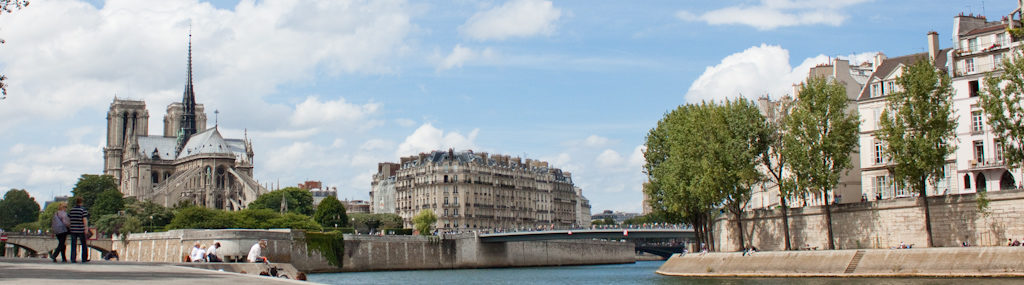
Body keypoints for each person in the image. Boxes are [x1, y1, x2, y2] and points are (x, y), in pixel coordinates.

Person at [68, 197, 90, 263]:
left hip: (73, 229)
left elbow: (69, 219)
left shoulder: (72, 210)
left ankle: (73, 259)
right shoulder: (83, 210)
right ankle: (84, 258)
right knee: (83, 244)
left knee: (73, 245)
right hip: (81, 229)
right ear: (81, 202)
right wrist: (86, 228)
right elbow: (85, 220)